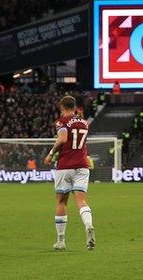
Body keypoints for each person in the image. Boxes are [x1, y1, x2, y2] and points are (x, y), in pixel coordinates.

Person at [44, 95, 96, 251]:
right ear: (75, 107)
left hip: (65, 165)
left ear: (61, 107)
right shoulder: (84, 123)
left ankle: (61, 241)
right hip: (82, 165)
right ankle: (88, 225)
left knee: (61, 202)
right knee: (81, 201)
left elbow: (62, 138)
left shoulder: (61, 122)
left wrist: (51, 153)